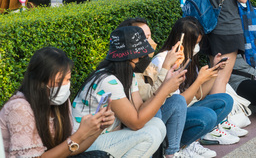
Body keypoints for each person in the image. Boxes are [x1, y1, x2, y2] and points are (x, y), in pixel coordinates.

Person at [73, 25, 185, 157]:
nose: (145, 58)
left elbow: (139, 109)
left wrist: (165, 84)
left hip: (105, 137)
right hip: (85, 144)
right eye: (141, 55)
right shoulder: (108, 81)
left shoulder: (129, 75)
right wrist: (165, 90)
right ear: (128, 58)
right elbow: (136, 123)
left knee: (157, 124)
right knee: (149, 135)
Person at [0, 47, 114, 157]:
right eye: (59, 81)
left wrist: (99, 127)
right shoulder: (19, 108)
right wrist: (80, 134)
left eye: (68, 79)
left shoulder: (61, 102)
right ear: (40, 82)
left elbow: (71, 149)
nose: (65, 85)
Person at [124, 17, 210, 158]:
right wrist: (166, 68)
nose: (150, 42)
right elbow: (150, 98)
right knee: (160, 110)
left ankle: (172, 153)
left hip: (169, 111)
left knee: (219, 101)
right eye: (145, 37)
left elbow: (170, 96)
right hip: (140, 123)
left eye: (150, 36)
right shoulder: (155, 61)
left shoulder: (146, 62)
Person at [153, 17, 239, 149]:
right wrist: (199, 80)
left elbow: (199, 95)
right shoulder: (163, 61)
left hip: (187, 108)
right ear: (182, 41)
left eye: (198, 43)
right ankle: (180, 146)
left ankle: (194, 140)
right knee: (207, 116)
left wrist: (213, 71)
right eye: (194, 43)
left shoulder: (188, 59)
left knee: (225, 100)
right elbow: (179, 103)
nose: (197, 47)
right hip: (171, 116)